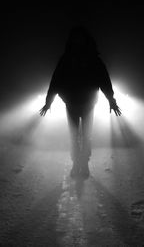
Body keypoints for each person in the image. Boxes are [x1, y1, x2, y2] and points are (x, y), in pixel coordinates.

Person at [40, 26, 121, 178]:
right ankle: (77, 163)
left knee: (85, 135)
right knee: (75, 135)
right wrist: (48, 102)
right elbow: (56, 81)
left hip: (87, 104)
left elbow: (104, 81)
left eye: (79, 37)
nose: (78, 41)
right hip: (72, 103)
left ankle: (83, 164)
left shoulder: (90, 59)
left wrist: (111, 100)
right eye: (75, 38)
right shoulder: (71, 59)